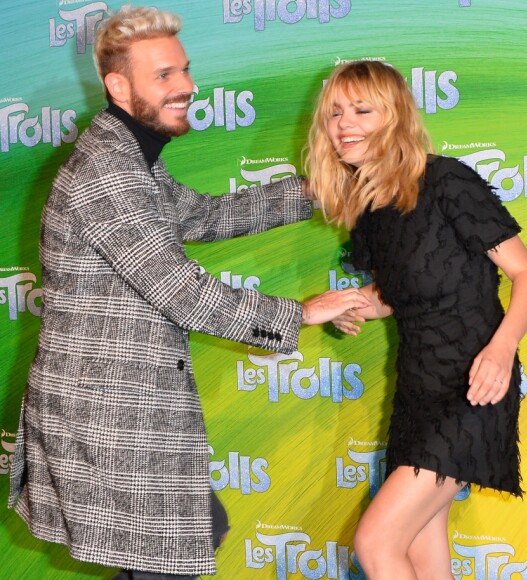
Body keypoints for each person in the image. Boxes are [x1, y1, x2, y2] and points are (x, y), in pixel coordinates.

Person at [7, 6, 370, 579]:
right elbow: (179, 289)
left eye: (184, 70)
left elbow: (203, 214)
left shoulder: (132, 159)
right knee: (167, 558)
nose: (188, 87)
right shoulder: (107, 171)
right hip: (111, 417)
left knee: (187, 538)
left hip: (126, 411)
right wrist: (299, 312)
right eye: (165, 76)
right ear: (118, 86)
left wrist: (321, 188)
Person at [305, 60, 527, 579]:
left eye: (361, 110)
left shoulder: (447, 181)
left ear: (395, 116)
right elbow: (397, 294)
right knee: (420, 550)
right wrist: (357, 305)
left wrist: (501, 350)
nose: (344, 123)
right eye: (335, 113)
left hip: (474, 385)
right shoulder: (370, 210)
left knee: (375, 542)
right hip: (416, 390)